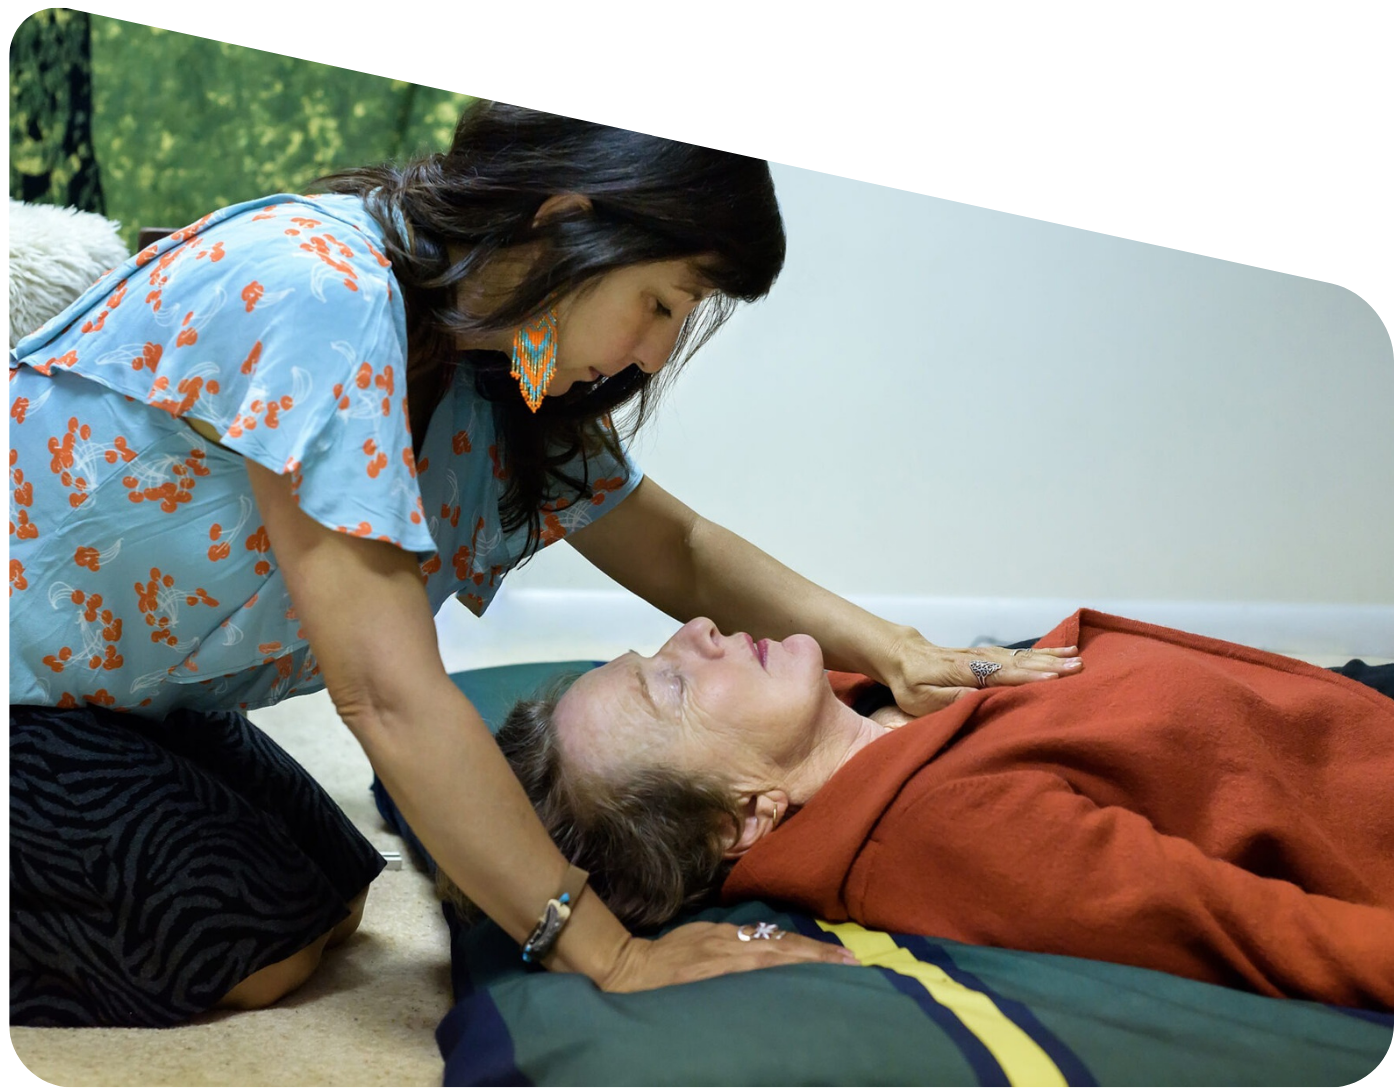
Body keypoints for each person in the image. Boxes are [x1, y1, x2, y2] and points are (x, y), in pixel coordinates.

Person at [7, 100, 1084, 1027]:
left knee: (336, 892)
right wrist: (611, 954)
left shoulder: (491, 357)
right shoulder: (322, 295)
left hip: (111, 695)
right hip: (25, 688)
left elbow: (678, 546)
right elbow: (384, 692)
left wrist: (901, 651)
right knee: (253, 948)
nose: (659, 351)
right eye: (660, 302)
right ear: (568, 222)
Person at [453, 609, 1395, 1012]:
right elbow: (1268, 935)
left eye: (659, 649)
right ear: (742, 819)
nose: (695, 632)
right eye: (672, 688)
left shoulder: (873, 703)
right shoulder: (954, 835)